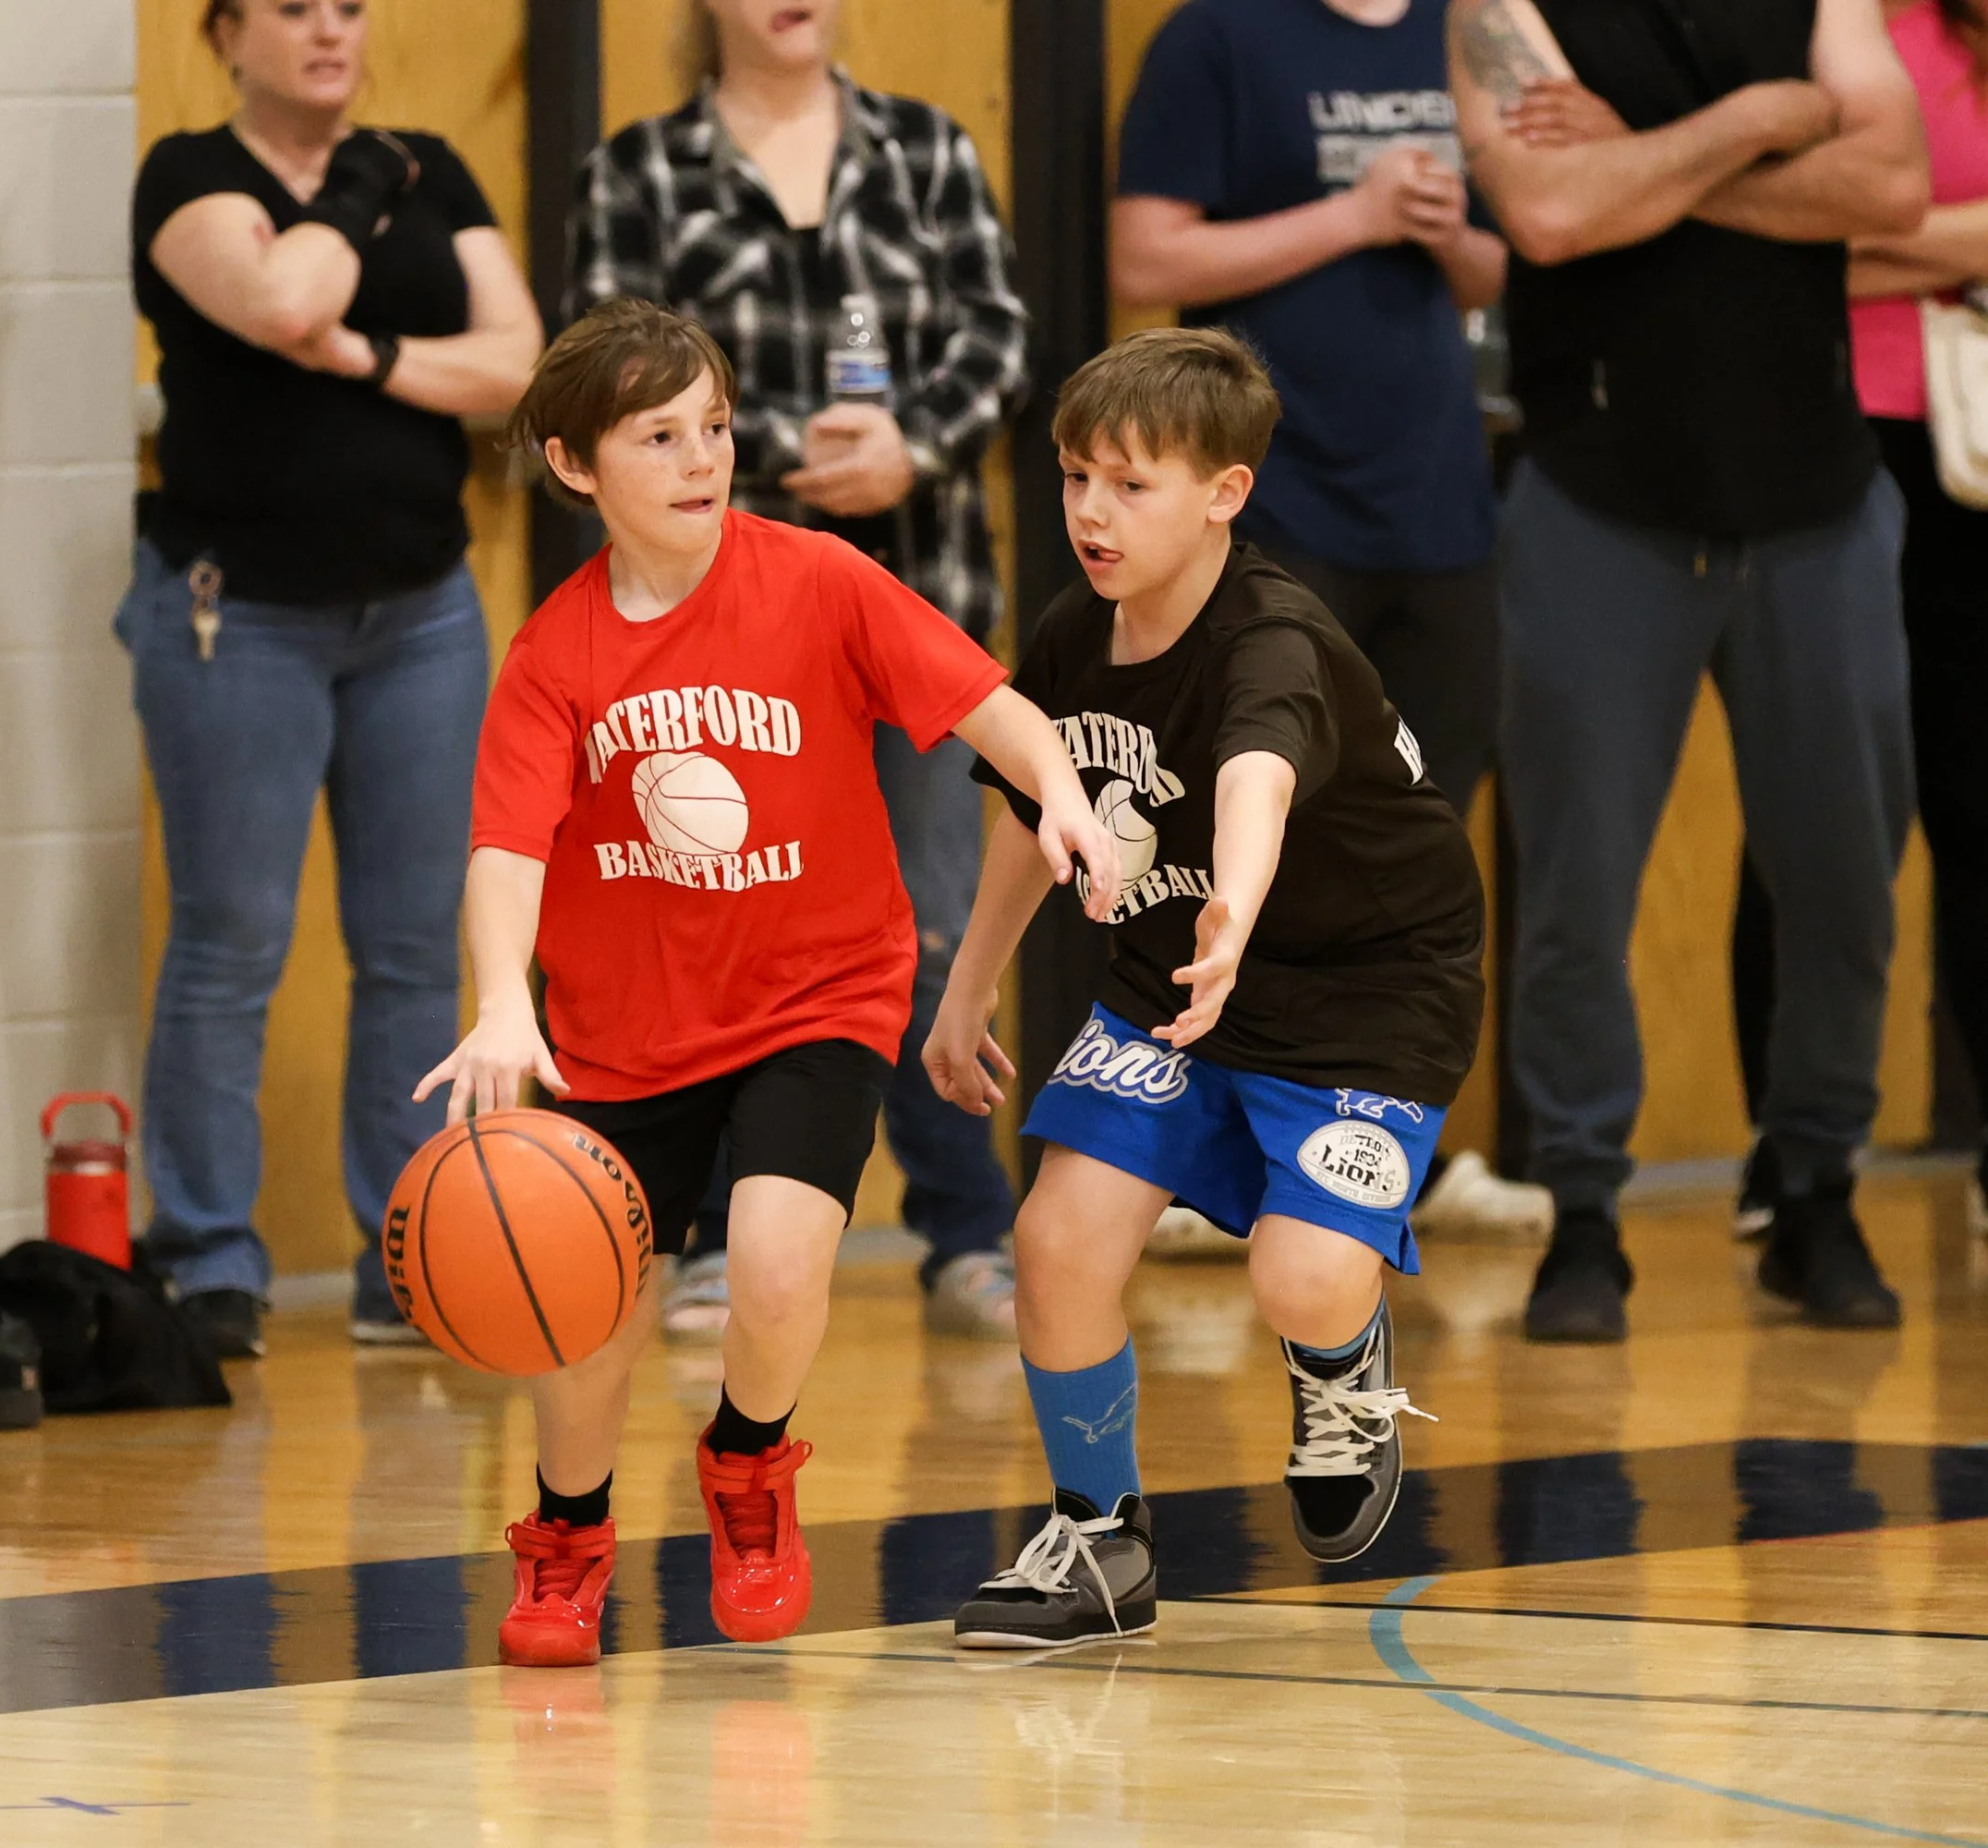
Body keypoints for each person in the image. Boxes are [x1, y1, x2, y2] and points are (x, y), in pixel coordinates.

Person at [412, 300, 1118, 1667]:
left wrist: (1064, 792)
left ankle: (748, 1469)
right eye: (659, 436)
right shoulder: (555, 655)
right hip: (622, 1033)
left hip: (820, 995)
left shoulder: (822, 579)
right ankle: (568, 1535)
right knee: (589, 1322)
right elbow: (505, 848)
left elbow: (992, 703)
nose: (701, 459)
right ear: (574, 468)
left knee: (783, 1271)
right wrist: (505, 1000)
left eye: (718, 428)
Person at [927, 327, 1485, 1648]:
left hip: (1368, 987)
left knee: (1299, 1280)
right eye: (1074, 478)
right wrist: (966, 991)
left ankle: (1341, 1367)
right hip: (1178, 978)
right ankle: (1101, 1542)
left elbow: (1259, 776)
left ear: (1225, 492)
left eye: (1131, 485)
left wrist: (1235, 898)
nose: (1091, 514)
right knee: (1056, 1242)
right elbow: (1033, 805)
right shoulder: (1077, 634)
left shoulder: (1277, 639)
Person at [1448, 0, 1929, 1342]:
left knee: (1845, 886)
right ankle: (1584, 1213)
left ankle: (1814, 1188)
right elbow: (1547, 216)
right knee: (1576, 894)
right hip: (1601, 500)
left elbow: (1893, 183)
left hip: (1819, 500)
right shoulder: (1498, 9)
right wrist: (1761, 125)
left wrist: (1648, 158)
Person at [567, 0, 1035, 1341]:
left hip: (916, 597)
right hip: (715, 637)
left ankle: (964, 1232)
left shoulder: (927, 150)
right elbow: (614, 374)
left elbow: (996, 335)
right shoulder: (640, 173)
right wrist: (776, 447)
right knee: (726, 910)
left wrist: (911, 446)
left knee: (931, 920)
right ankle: (714, 1232)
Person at [120, 0, 544, 1356]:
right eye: (292, 11)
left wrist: (362, 357)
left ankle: (408, 1255)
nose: (329, 33)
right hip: (234, 616)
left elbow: (520, 363)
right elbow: (280, 295)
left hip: (418, 613)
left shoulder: (440, 162)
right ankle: (208, 1260)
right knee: (231, 939)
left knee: (420, 945)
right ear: (226, 35)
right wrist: (359, 192)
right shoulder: (192, 176)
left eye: (349, 8)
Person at [1111, 0, 1549, 1251]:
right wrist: (1351, 217)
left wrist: (1445, 233)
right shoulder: (1221, 37)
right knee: (1240, 831)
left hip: (1444, 511)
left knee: (1416, 844)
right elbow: (1147, 260)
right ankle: (1216, 1152)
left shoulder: (1469, 33)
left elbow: (1511, 265)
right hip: (1279, 511)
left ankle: (1387, 1139)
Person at [1734, 0, 1988, 1236]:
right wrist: (1962, 242)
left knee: (1976, 801)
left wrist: (1897, 236)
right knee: (1820, 799)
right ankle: (1783, 1152)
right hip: (1837, 442)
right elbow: (1780, 244)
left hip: (1977, 464)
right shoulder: (1831, 38)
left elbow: (1859, 227)